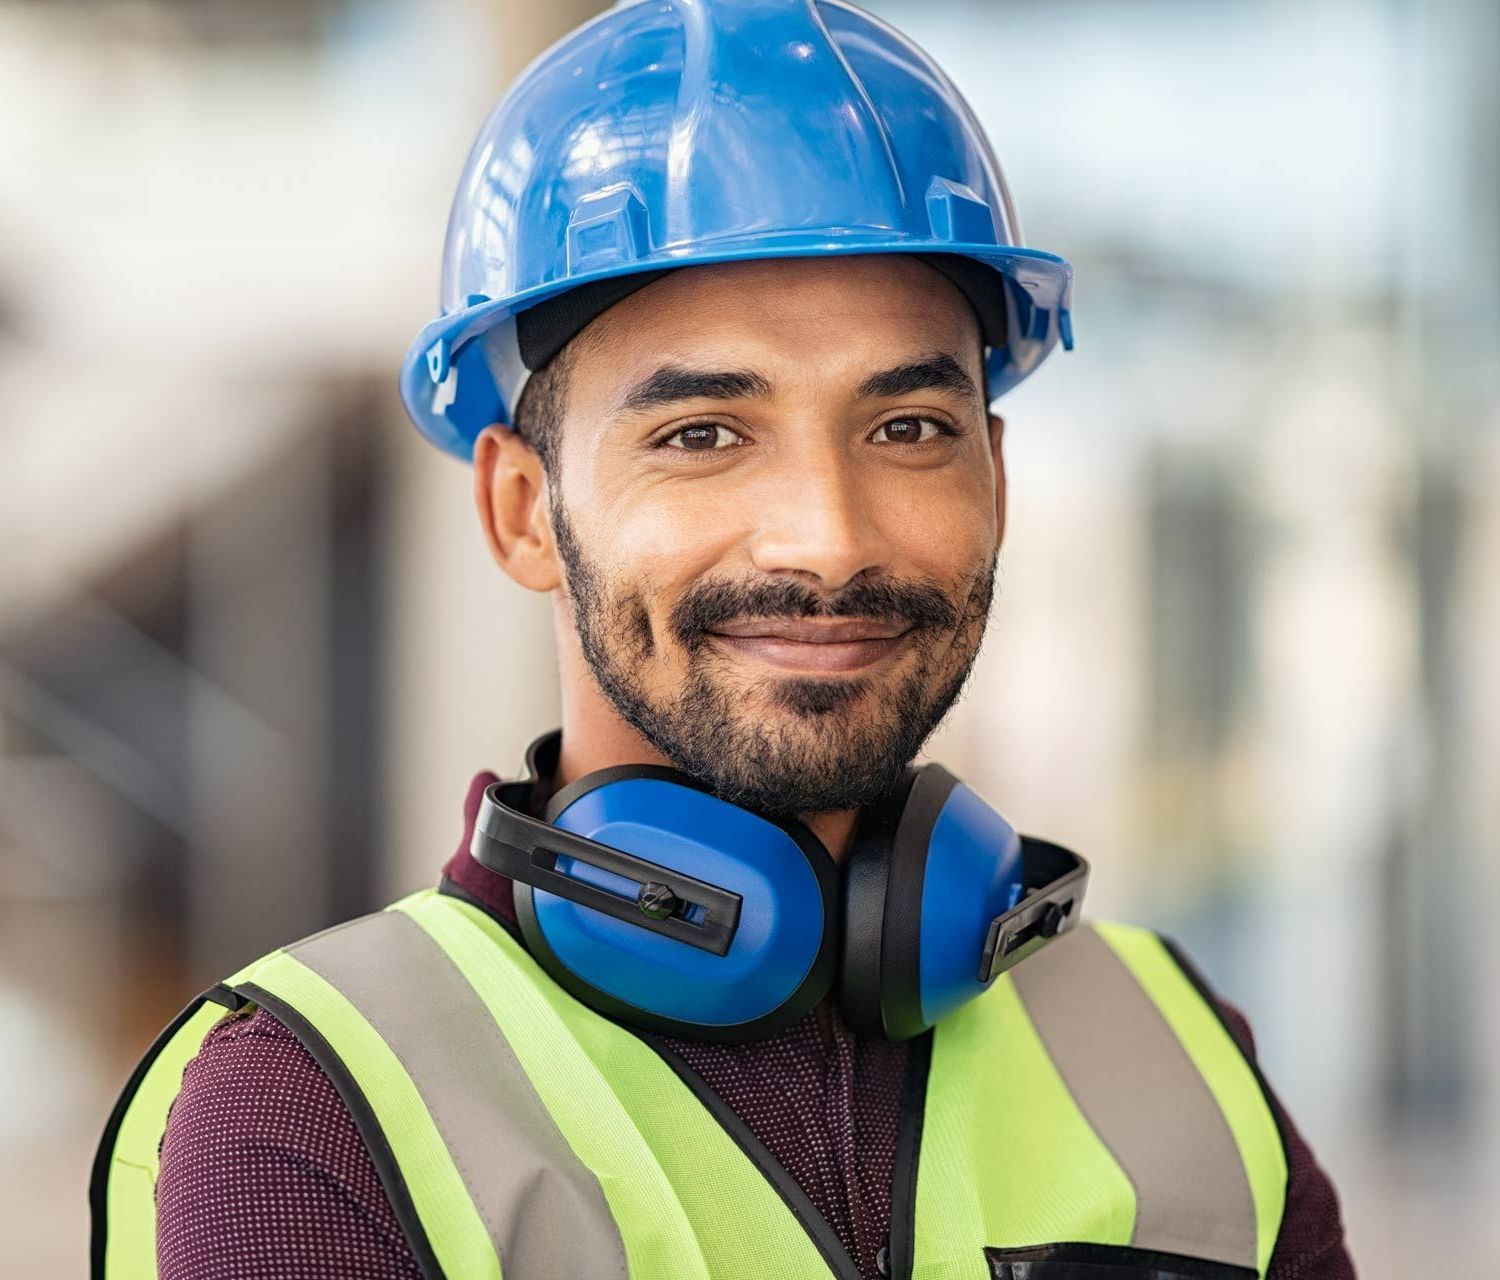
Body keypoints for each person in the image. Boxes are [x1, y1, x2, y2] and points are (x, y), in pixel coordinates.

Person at [92, 2, 1355, 1277]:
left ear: (999, 481)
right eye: (701, 433)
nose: (826, 538)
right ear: (523, 510)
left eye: (908, 427)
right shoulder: (316, 1114)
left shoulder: (1183, 1061)